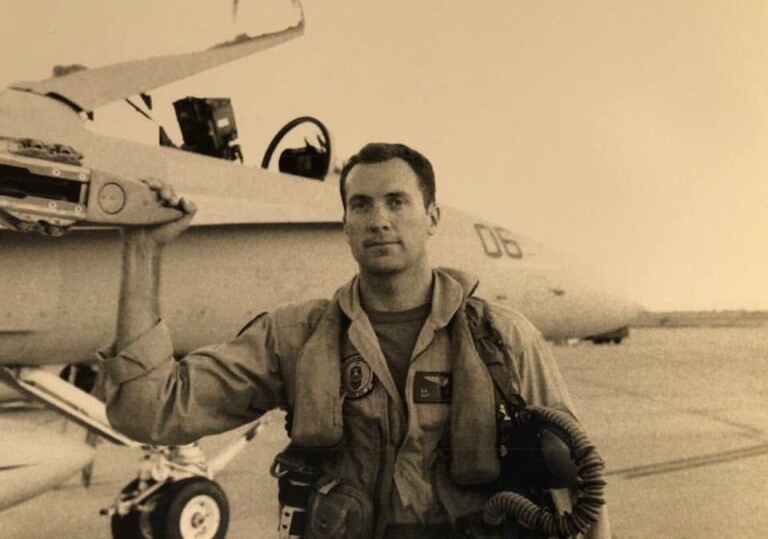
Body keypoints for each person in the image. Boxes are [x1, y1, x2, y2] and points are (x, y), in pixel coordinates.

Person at [101, 143, 610, 539]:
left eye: (397, 202)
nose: (379, 219)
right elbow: (147, 411)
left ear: (432, 217)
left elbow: (578, 480)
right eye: (361, 204)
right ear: (344, 223)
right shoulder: (297, 338)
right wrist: (142, 250)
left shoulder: (502, 337)